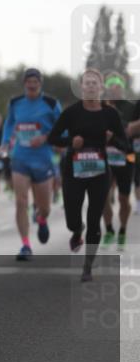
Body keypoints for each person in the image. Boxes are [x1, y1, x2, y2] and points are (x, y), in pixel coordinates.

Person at [46, 69, 128, 281]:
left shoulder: (110, 114)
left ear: (101, 88)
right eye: (87, 83)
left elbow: (125, 145)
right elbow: (52, 138)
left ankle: (88, 266)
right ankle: (76, 230)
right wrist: (70, 142)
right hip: (73, 172)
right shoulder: (72, 112)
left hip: (99, 173)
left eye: (94, 83)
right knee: (73, 218)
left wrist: (112, 140)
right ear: (81, 88)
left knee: (94, 218)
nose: (91, 86)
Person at [0, 68, 61, 261]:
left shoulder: (51, 103)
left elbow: (62, 129)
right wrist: (5, 142)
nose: (32, 85)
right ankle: (25, 244)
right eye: (29, 81)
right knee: (21, 201)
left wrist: (45, 137)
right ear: (24, 83)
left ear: (40, 84)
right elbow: (9, 124)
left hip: (43, 159)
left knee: (45, 207)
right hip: (21, 157)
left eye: (35, 82)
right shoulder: (15, 103)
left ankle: (42, 219)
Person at [99, 74, 134, 249]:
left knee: (123, 198)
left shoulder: (131, 107)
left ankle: (122, 231)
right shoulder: (100, 106)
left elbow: (130, 130)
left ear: (122, 89)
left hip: (126, 157)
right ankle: (109, 230)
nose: (115, 90)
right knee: (103, 197)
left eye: (118, 87)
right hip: (104, 158)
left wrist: (127, 128)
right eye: (111, 87)